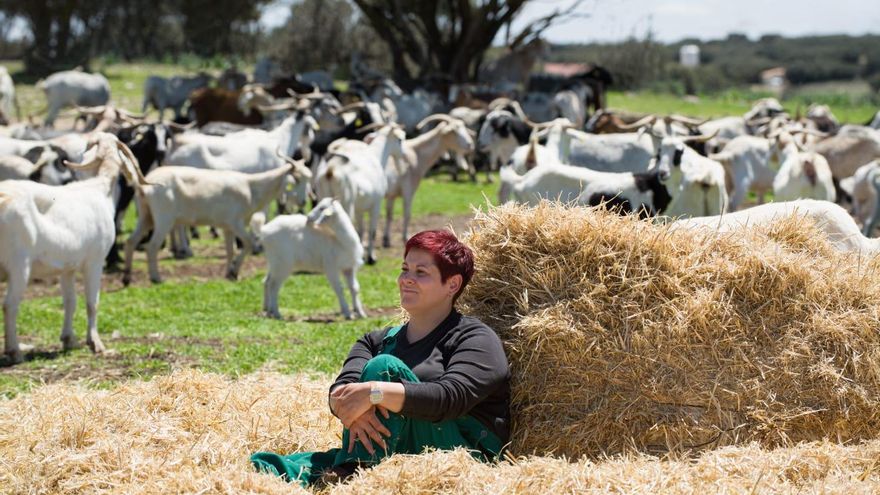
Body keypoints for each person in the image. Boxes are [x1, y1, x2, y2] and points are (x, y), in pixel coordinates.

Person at [251, 229, 510, 487]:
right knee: (272, 466)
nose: (407, 279)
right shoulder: (375, 341)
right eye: (405, 269)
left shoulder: (475, 338)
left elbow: (450, 399)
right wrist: (347, 404)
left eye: (421, 273)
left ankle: (354, 475)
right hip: (396, 450)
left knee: (383, 367)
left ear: (452, 284)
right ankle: (356, 470)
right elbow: (342, 391)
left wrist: (375, 393)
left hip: (460, 458)